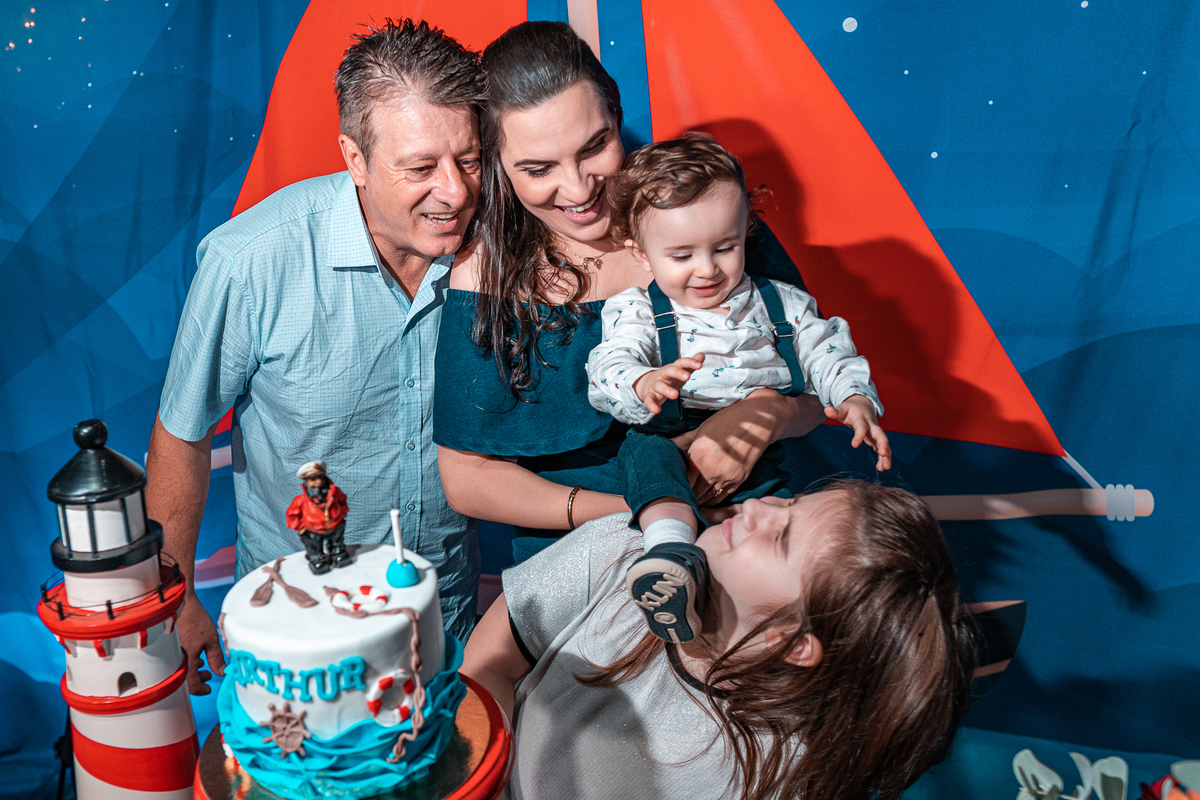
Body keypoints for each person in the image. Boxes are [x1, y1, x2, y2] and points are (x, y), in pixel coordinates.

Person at [146, 18, 485, 694]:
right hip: (295, 634)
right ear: (354, 160)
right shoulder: (250, 263)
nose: (455, 192)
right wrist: (179, 598)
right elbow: (180, 437)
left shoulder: (503, 244)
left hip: (449, 619)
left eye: (470, 159)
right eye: (420, 167)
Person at [434, 21, 829, 563]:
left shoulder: (700, 216)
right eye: (538, 168)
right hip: (580, 557)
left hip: (751, 530)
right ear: (499, 167)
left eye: (594, 146)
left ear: (617, 118)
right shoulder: (486, 276)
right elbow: (469, 480)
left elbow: (817, 393)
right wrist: (647, 508)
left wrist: (764, 413)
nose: (577, 189)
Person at [461, 480, 977, 800]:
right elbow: (490, 663)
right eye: (791, 503)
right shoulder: (618, 549)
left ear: (794, 643)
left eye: (781, 537)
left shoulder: (786, 780)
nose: (760, 506)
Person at [586, 134, 891, 643]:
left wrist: (855, 398)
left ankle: (775, 628)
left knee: (777, 532)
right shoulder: (636, 309)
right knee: (644, 455)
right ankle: (670, 553)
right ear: (641, 255)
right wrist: (644, 381)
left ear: (746, 229)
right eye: (681, 255)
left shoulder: (781, 303)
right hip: (672, 434)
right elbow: (608, 366)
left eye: (724, 248)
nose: (707, 269)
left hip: (759, 455)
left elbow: (826, 352)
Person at [285, 461, 351, 574]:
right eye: (313, 479)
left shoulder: (335, 493)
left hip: (335, 526)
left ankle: (337, 553)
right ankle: (317, 558)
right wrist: (300, 527)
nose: (318, 482)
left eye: (320, 477)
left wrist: (342, 513)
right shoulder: (301, 500)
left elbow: (342, 501)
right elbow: (292, 514)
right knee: (314, 547)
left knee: (337, 542)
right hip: (313, 530)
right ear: (306, 482)